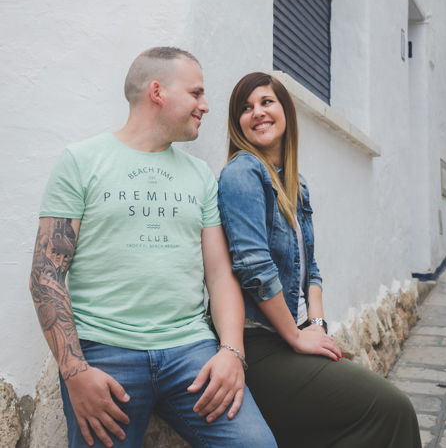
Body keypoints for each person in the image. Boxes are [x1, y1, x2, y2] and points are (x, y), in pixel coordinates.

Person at [29, 48, 277, 448]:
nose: (206, 105)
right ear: (158, 91)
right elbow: (46, 273)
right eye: (196, 93)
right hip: (104, 353)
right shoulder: (81, 160)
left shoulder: (198, 175)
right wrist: (75, 371)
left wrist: (232, 351)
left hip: (190, 353)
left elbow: (219, 274)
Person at [218, 72, 422, 448]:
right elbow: (254, 268)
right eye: (246, 108)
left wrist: (317, 325)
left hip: (285, 335)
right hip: (255, 344)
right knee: (391, 407)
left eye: (266, 102)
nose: (257, 113)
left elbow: (311, 269)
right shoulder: (243, 173)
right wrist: (296, 336)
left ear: (285, 111)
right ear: (237, 123)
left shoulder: (295, 183)